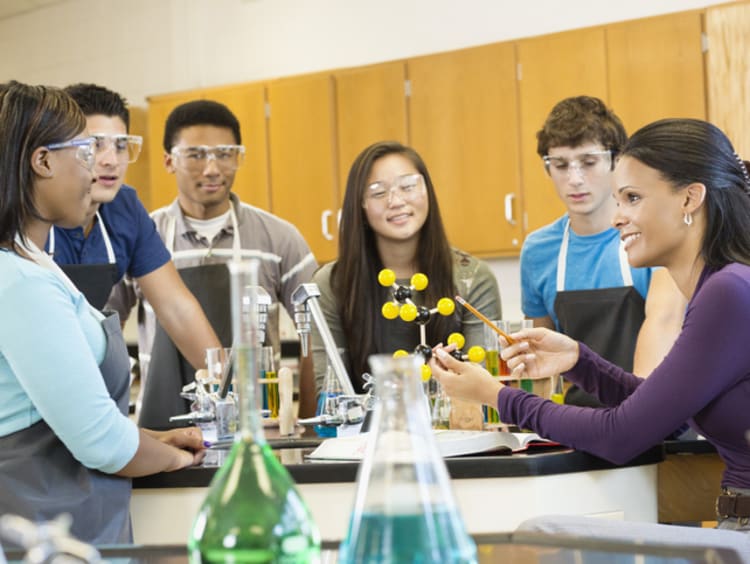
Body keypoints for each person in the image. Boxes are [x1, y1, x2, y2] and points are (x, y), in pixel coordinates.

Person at [430, 119, 750, 544]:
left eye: (633, 198)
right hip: (736, 524)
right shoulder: (721, 286)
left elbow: (621, 435)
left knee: (537, 536)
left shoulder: (727, 292)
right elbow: (664, 419)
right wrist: (580, 361)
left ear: (690, 197)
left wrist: (496, 396)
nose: (618, 217)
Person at [0, 81, 204, 545]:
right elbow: (102, 445)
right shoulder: (20, 282)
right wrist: (174, 459)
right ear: (43, 161)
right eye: (86, 152)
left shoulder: (32, 263)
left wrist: (152, 438)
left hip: (71, 527)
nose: (97, 170)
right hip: (44, 534)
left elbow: (54, 411)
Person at [109, 100, 318, 428]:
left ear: (239, 157)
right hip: (164, 423)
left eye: (224, 153)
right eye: (195, 155)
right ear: (168, 161)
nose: (211, 168)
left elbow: (316, 336)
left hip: (260, 424)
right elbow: (105, 331)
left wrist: (311, 423)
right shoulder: (144, 236)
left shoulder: (279, 238)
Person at [46, 83, 222, 415]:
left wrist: (228, 389)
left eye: (121, 145)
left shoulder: (125, 208)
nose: (111, 161)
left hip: (86, 385)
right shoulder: (33, 213)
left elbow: (176, 306)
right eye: (95, 145)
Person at [521, 96, 686, 405]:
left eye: (588, 162)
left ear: (616, 161)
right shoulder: (537, 251)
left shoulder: (653, 236)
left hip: (654, 417)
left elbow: (663, 330)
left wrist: (628, 426)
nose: (574, 179)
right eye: (560, 165)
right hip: (577, 425)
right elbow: (537, 363)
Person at [312, 141, 502, 402]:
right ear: (361, 207)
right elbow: (331, 393)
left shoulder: (472, 278)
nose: (396, 201)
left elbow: (484, 387)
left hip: (458, 432)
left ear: (427, 192)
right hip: (367, 437)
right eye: (378, 192)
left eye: (408, 186)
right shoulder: (333, 284)